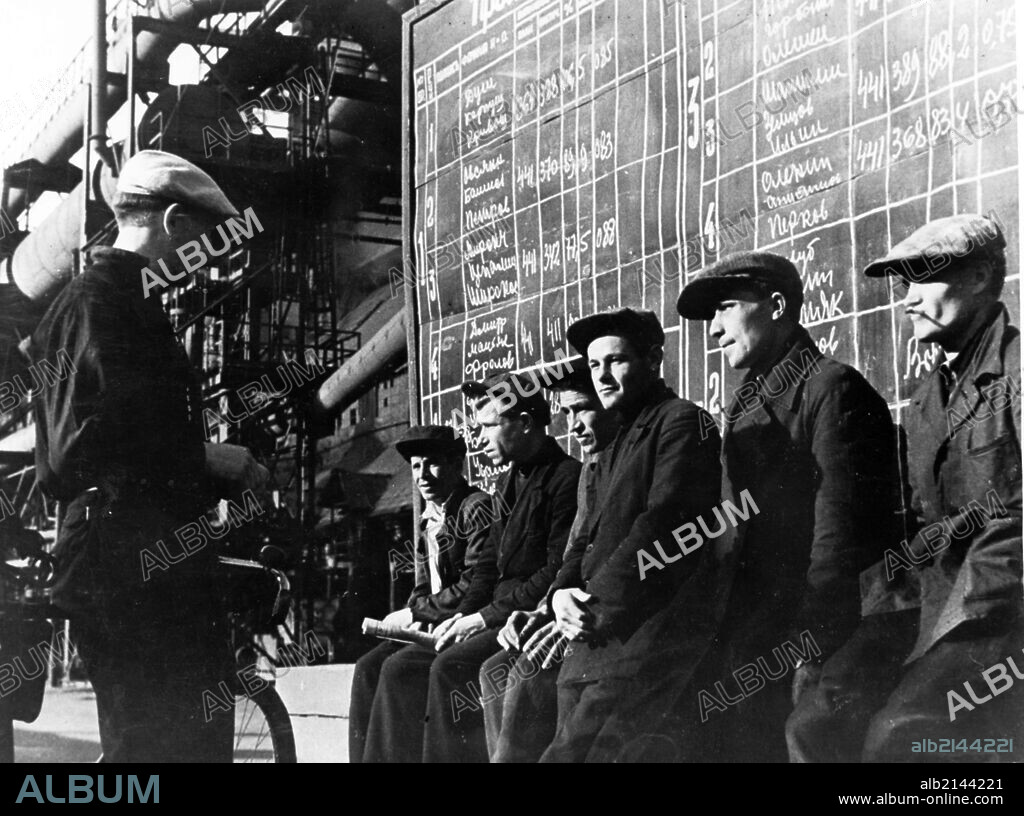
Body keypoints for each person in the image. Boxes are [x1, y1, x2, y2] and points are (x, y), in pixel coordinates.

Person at [30, 150, 269, 762]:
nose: (206, 256)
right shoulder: (100, 304)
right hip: (123, 569)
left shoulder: (123, 304)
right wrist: (211, 459)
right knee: (153, 750)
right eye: (203, 237)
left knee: (184, 744)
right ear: (171, 222)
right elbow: (90, 447)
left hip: (147, 561)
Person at [788, 213, 1023, 762]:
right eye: (904, 284)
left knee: (902, 733)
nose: (908, 299)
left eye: (925, 277)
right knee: (816, 718)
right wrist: (863, 620)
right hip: (932, 605)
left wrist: (956, 614)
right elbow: (921, 532)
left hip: (1001, 609)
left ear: (981, 277)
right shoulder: (925, 402)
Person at [673, 251, 898, 762]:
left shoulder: (831, 388)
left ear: (776, 306)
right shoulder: (745, 406)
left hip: (810, 628)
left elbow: (839, 535)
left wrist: (808, 645)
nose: (713, 330)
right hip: (748, 624)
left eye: (726, 308)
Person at [361, 371, 580, 762]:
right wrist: (460, 618)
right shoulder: (508, 485)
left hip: (520, 617)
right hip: (491, 615)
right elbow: (484, 573)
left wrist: (479, 620)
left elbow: (553, 572)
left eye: (489, 427)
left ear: (525, 423)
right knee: (395, 667)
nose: (478, 440)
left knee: (448, 667)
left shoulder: (566, 479)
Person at [538, 308, 723, 763]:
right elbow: (584, 538)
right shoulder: (612, 443)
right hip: (589, 641)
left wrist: (592, 605)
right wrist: (560, 594)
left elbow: (664, 525)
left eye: (615, 361)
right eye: (594, 364)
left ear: (654, 360)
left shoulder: (680, 422)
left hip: (642, 638)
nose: (601, 375)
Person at [479, 358, 621, 762]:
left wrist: (560, 607)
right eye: (568, 412)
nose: (573, 426)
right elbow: (574, 553)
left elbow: (635, 547)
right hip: (551, 607)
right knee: (493, 670)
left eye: (581, 410)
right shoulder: (591, 470)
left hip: (606, 612)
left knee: (522, 674)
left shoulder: (572, 472)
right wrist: (545, 608)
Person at [348, 425, 491, 762]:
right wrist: (415, 609)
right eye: (415, 466)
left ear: (458, 464)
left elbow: (475, 584)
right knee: (367, 666)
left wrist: (418, 613)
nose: (422, 475)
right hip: (433, 624)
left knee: (398, 668)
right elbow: (422, 587)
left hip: (466, 624)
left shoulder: (476, 508)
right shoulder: (429, 519)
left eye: (432, 463)